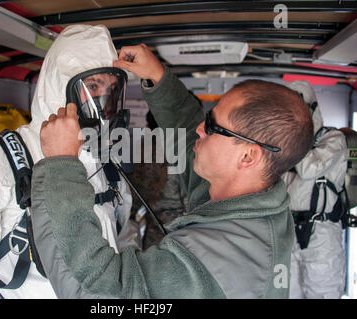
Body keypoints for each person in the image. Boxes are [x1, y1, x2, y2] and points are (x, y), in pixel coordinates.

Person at [30, 44, 314, 298]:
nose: (202, 128)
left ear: (249, 155)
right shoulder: (254, 204)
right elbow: (191, 132)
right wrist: (159, 78)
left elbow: (95, 293)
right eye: (208, 119)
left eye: (214, 128)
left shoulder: (215, 265)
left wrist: (61, 164)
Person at [0, 24, 136, 299]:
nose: (102, 100)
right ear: (60, 85)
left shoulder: (106, 165)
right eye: (93, 86)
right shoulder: (3, 163)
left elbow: (123, 234)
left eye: (111, 88)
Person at [282, 81, 347, 299]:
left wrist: (292, 140)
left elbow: (310, 168)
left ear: (311, 109)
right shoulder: (285, 145)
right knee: (286, 292)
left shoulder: (333, 138)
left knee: (323, 291)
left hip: (322, 234)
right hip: (289, 233)